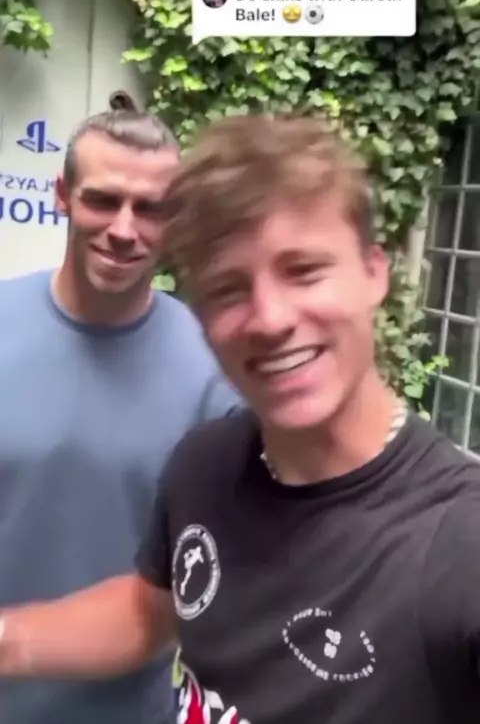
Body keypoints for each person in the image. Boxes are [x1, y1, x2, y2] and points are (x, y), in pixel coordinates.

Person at [1, 112, 480, 724]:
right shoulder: (205, 463)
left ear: (373, 273)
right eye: (229, 289)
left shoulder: (457, 543)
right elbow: (151, 611)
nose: (270, 319)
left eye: (303, 271)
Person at [0, 94, 240, 724]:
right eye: (103, 200)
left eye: (150, 208)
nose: (125, 229)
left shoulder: (217, 369)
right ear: (62, 196)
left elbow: (208, 579)